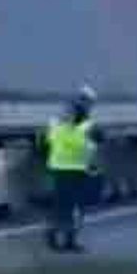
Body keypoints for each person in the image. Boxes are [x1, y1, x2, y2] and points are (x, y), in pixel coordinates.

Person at [41, 86, 99, 252]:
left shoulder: (59, 119)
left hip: (66, 167)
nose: (89, 105)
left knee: (69, 206)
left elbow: (49, 140)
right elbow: (81, 143)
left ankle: (64, 238)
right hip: (70, 168)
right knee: (70, 206)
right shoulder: (79, 121)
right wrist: (90, 149)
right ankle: (60, 236)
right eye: (88, 102)